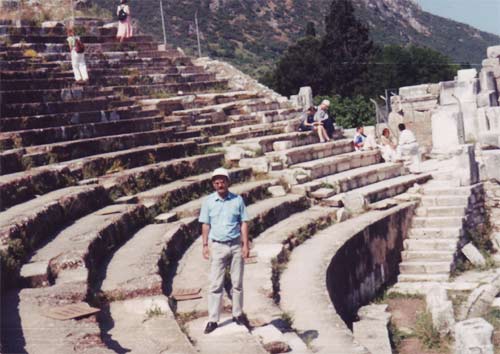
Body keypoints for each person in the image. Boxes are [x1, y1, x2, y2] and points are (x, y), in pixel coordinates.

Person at [199, 168, 250, 334]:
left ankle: (237, 314)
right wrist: (205, 245)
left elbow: (244, 222)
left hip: (235, 245)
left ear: (228, 182)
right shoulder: (208, 202)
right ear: (214, 184)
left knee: (237, 283)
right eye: (217, 182)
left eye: (222, 181)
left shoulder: (237, 200)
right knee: (215, 284)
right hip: (218, 246)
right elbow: (205, 224)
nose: (220, 184)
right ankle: (213, 319)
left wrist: (245, 245)